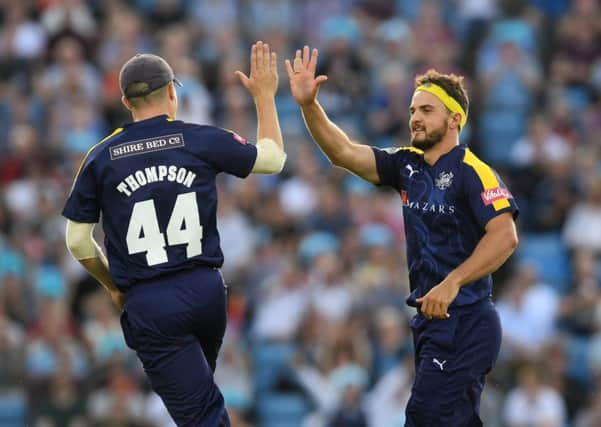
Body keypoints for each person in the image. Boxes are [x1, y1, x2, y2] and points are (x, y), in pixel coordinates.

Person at [286, 46, 519, 426]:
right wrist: (309, 105)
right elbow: (343, 152)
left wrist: (453, 282)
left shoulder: (474, 171)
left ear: (455, 118)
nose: (415, 118)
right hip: (431, 322)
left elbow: (505, 235)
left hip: (466, 320)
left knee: (424, 416)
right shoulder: (407, 164)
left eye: (427, 110)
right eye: (413, 110)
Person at [62, 41, 285, 426]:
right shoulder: (198, 137)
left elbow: (77, 240)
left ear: (126, 102)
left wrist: (112, 284)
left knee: (202, 416)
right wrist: (264, 97)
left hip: (151, 304)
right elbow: (273, 159)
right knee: (200, 405)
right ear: (170, 91)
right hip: (207, 293)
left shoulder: (101, 156)